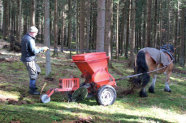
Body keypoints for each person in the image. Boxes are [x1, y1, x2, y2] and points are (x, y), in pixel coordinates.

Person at [21, 26, 49, 95]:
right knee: (33, 74)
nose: (36, 34)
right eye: (36, 33)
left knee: (38, 70)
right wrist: (42, 49)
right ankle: (32, 90)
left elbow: (30, 48)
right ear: (32, 32)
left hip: (28, 58)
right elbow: (34, 51)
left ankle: (33, 85)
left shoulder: (25, 37)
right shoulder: (30, 39)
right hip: (29, 60)